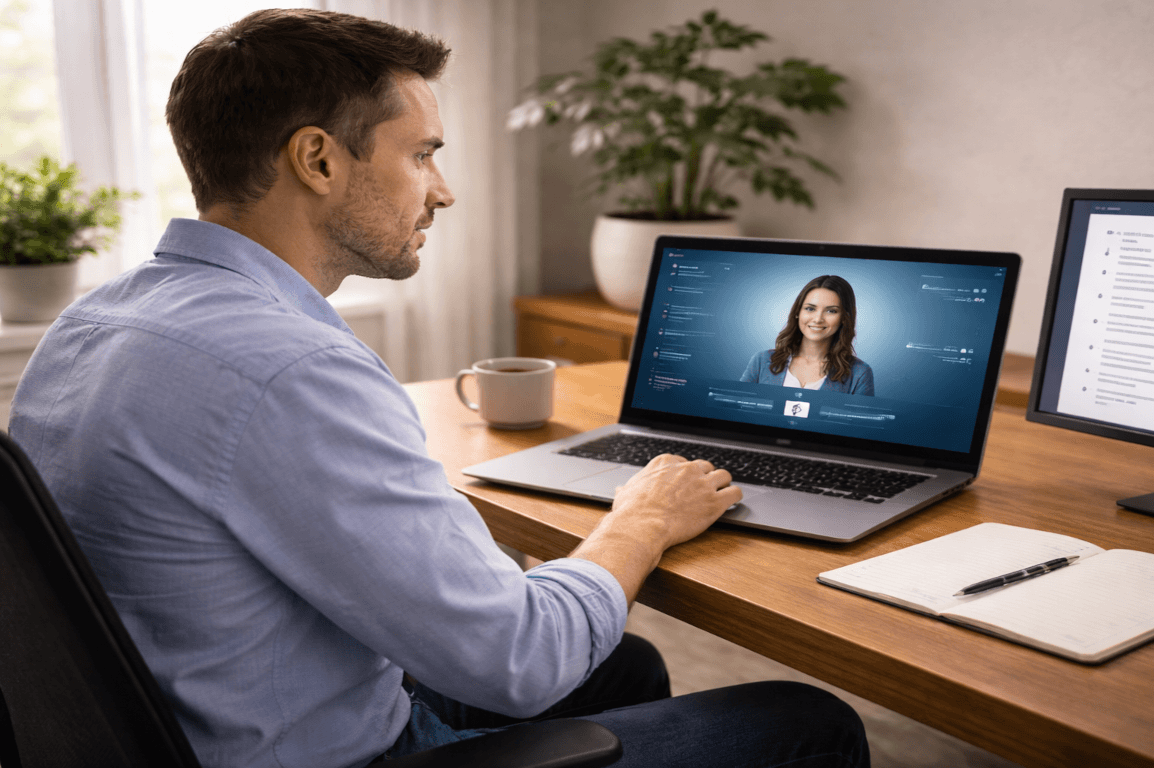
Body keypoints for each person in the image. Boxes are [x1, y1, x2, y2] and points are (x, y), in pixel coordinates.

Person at [7, 9, 869, 768]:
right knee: (806, 721)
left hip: (181, 723)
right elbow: (521, 660)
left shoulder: (92, 322)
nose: (444, 191)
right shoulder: (291, 367)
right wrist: (640, 519)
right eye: (422, 155)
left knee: (622, 666)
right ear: (317, 159)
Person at [740, 275, 876, 396]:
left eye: (831, 311)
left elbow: (856, 424)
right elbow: (736, 409)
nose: (818, 319)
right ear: (798, 312)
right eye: (810, 309)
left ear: (844, 318)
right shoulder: (761, 361)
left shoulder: (860, 373)